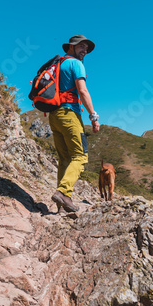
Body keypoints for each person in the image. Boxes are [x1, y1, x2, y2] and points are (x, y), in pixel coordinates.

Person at [50, 35, 100, 213]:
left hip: (54, 116)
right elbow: (82, 90)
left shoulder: (57, 64)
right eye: (81, 46)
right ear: (71, 47)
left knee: (64, 159)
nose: (84, 50)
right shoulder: (76, 64)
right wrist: (93, 116)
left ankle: (61, 206)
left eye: (86, 48)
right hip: (69, 114)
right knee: (80, 157)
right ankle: (63, 193)